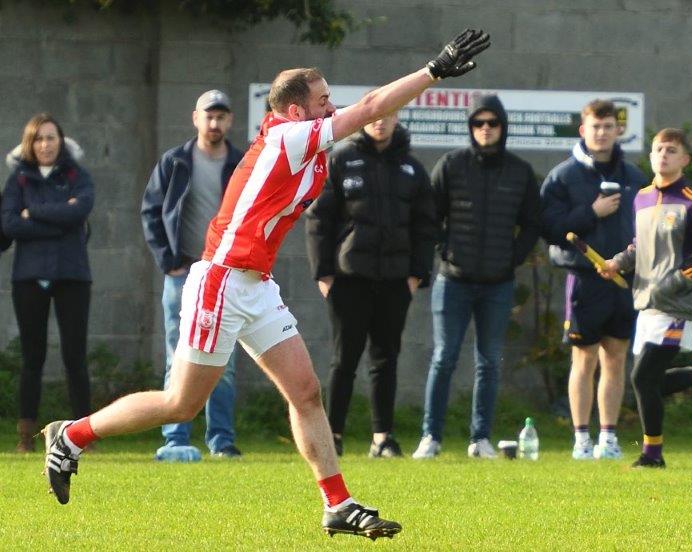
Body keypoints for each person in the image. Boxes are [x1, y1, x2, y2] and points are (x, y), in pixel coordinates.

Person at [40, 28, 491, 540]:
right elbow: (368, 108)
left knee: (306, 391)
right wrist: (433, 70)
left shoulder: (305, 141)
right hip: (222, 280)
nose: (331, 107)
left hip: (255, 285)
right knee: (181, 404)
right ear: (297, 112)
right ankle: (71, 435)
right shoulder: (287, 136)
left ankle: (337, 504)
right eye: (323, 101)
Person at [599, 128, 692, 468]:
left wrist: (675, 282)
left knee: (641, 378)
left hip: (678, 306)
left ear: (684, 160)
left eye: (671, 150)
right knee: (651, 383)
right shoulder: (642, 198)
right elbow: (639, 246)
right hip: (645, 304)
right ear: (650, 156)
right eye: (658, 149)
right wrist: (617, 262)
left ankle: (652, 454)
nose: (663, 155)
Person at [412, 94, 540, 460]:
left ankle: (480, 439)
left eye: (492, 123)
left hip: (498, 284)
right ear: (471, 128)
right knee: (444, 357)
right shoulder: (451, 165)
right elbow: (429, 217)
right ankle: (430, 437)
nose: (486, 129)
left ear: (503, 127)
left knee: (488, 361)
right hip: (452, 280)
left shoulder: (519, 171)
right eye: (478, 123)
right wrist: (444, 252)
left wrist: (512, 259)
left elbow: (532, 223)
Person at [305, 112, 436, 458]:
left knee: (385, 359)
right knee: (344, 359)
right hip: (349, 277)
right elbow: (319, 217)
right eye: (375, 116)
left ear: (396, 120)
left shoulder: (411, 168)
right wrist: (323, 272)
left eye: (388, 116)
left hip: (396, 279)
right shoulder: (342, 160)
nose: (380, 122)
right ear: (364, 120)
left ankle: (383, 438)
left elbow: (426, 225)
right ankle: (333, 435)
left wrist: (416, 275)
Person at [141, 90, 245, 462]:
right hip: (182, 274)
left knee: (225, 360)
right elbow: (151, 212)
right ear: (195, 118)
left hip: (226, 274)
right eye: (208, 116)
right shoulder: (174, 162)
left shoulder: (241, 164)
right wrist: (168, 261)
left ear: (230, 121)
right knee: (178, 356)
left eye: (221, 117)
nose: (214, 123)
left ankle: (221, 441)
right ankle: (175, 439)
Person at [540, 99, 646, 460]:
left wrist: (627, 263)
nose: (601, 133)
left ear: (618, 131)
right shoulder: (563, 176)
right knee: (583, 359)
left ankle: (609, 438)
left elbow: (647, 230)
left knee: (616, 357)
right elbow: (551, 228)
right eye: (594, 127)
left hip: (623, 281)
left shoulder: (635, 177)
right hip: (584, 279)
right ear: (583, 131)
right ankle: (581, 439)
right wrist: (590, 213)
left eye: (608, 127)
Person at [1, 114, 93, 453]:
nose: (45, 144)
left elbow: (79, 212)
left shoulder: (77, 176)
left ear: (61, 141)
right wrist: (59, 216)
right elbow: (10, 225)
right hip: (29, 277)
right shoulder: (18, 180)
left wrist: (34, 213)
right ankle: (26, 436)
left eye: (51, 137)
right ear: (30, 143)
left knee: (75, 356)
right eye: (38, 138)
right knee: (32, 357)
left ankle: (85, 434)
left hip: (72, 275)